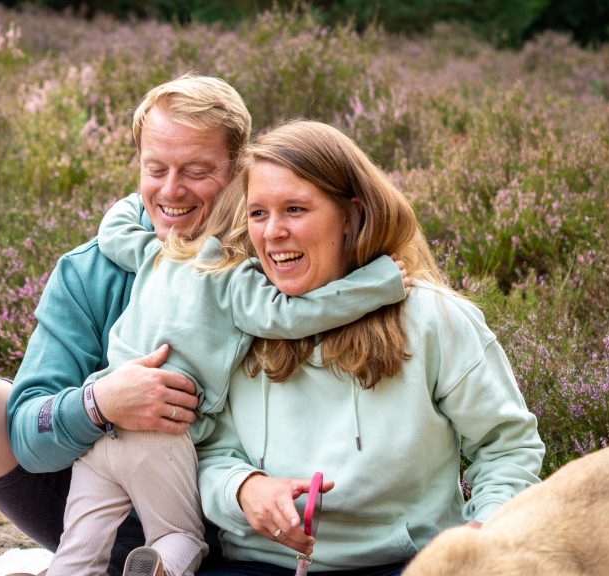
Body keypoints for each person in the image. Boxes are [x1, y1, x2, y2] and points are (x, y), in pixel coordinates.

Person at [0, 73, 250, 575]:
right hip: (101, 516)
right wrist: (99, 403)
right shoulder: (90, 270)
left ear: (240, 167)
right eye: (155, 168)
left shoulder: (276, 258)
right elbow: (28, 432)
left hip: (238, 531)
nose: (171, 190)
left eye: (197, 171)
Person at [191, 120, 546, 575]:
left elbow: (507, 448)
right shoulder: (232, 322)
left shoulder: (433, 318)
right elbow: (209, 450)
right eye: (258, 213)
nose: (272, 232)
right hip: (259, 564)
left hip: (406, 563)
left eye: (295, 209)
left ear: (351, 215)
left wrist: (481, 538)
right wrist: (243, 489)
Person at [47, 179, 410, 576]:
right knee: (178, 536)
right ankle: (159, 568)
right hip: (160, 430)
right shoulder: (236, 280)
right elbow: (292, 315)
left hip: (105, 418)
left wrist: (142, 199)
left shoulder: (158, 253)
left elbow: (113, 233)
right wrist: (378, 283)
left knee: (79, 545)